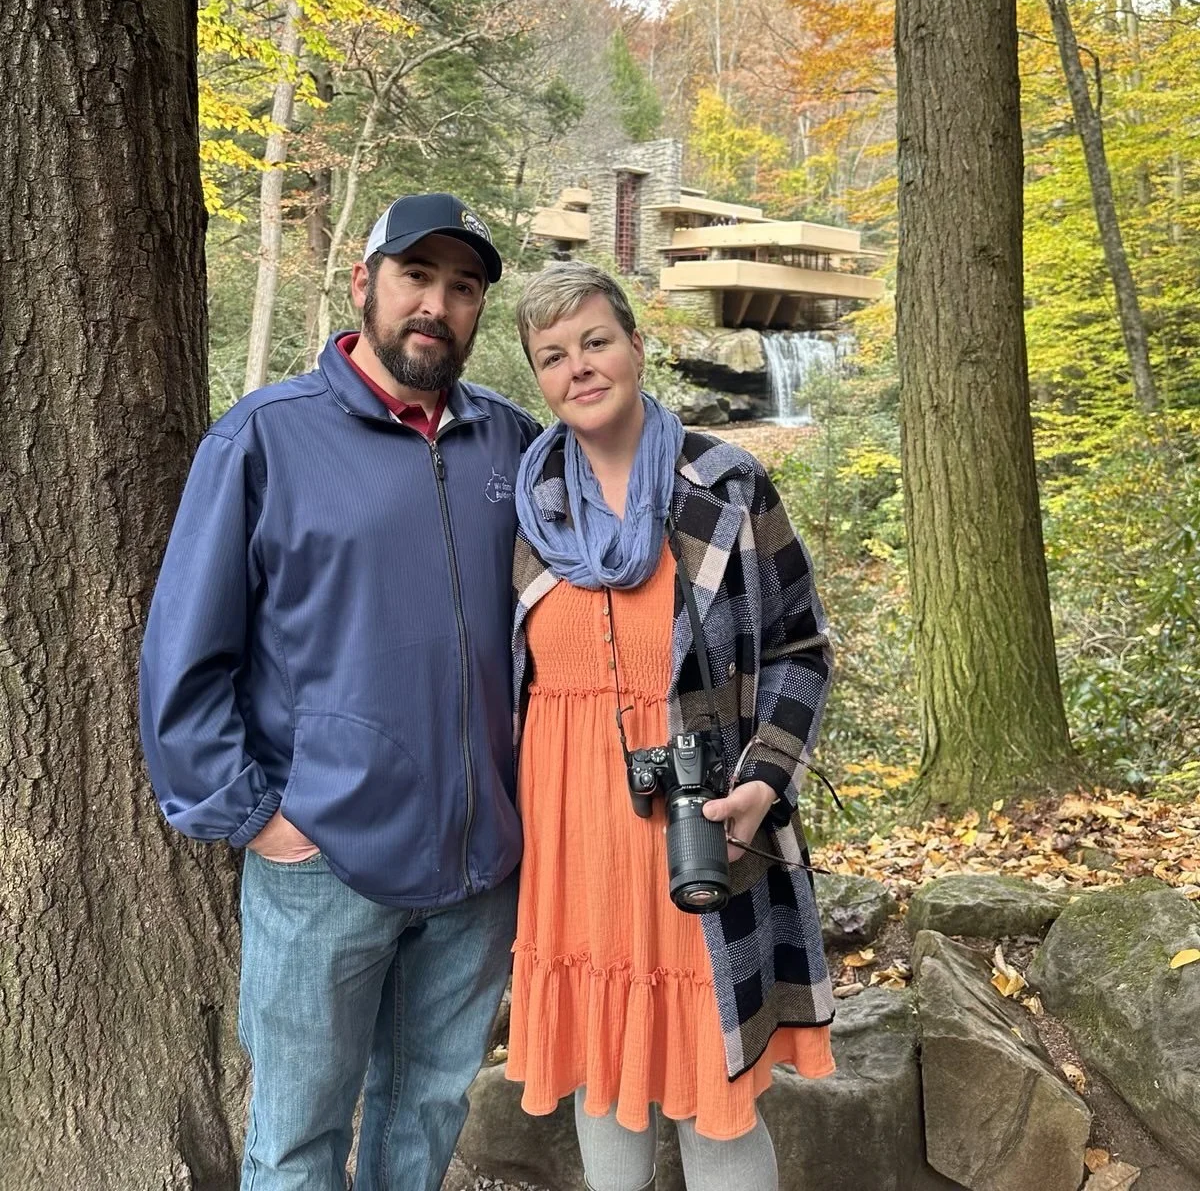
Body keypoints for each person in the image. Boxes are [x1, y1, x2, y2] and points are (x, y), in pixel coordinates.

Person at [140, 193, 539, 1191]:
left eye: (463, 287)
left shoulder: (512, 444)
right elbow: (185, 652)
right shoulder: (265, 439)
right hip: (324, 862)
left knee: (423, 1124)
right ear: (364, 283)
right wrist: (256, 817)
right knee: (297, 1141)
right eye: (416, 275)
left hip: (478, 867)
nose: (436, 304)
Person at [506, 262, 836, 1191]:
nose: (579, 367)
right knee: (602, 1079)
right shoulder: (525, 501)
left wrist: (764, 781)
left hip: (700, 823)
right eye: (553, 356)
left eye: (596, 341)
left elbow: (802, 647)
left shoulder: (726, 484)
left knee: (710, 1084)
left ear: (637, 346)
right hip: (566, 841)